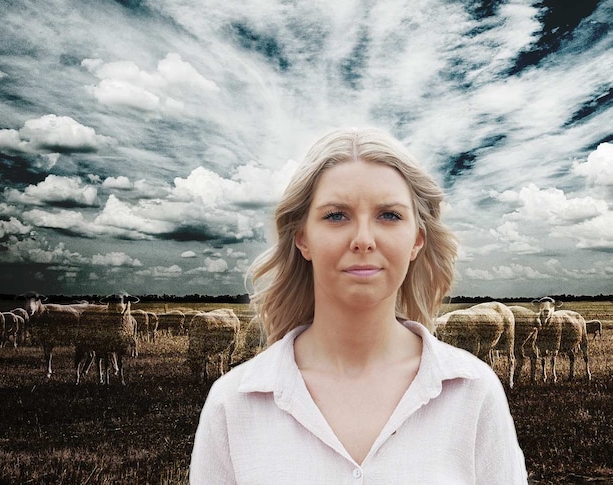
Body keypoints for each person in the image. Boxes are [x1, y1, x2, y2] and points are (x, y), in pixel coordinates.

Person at [189, 127, 528, 483]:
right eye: (336, 215)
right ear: (302, 238)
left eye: (389, 215)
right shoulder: (233, 405)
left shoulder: (473, 393)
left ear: (417, 240)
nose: (363, 240)